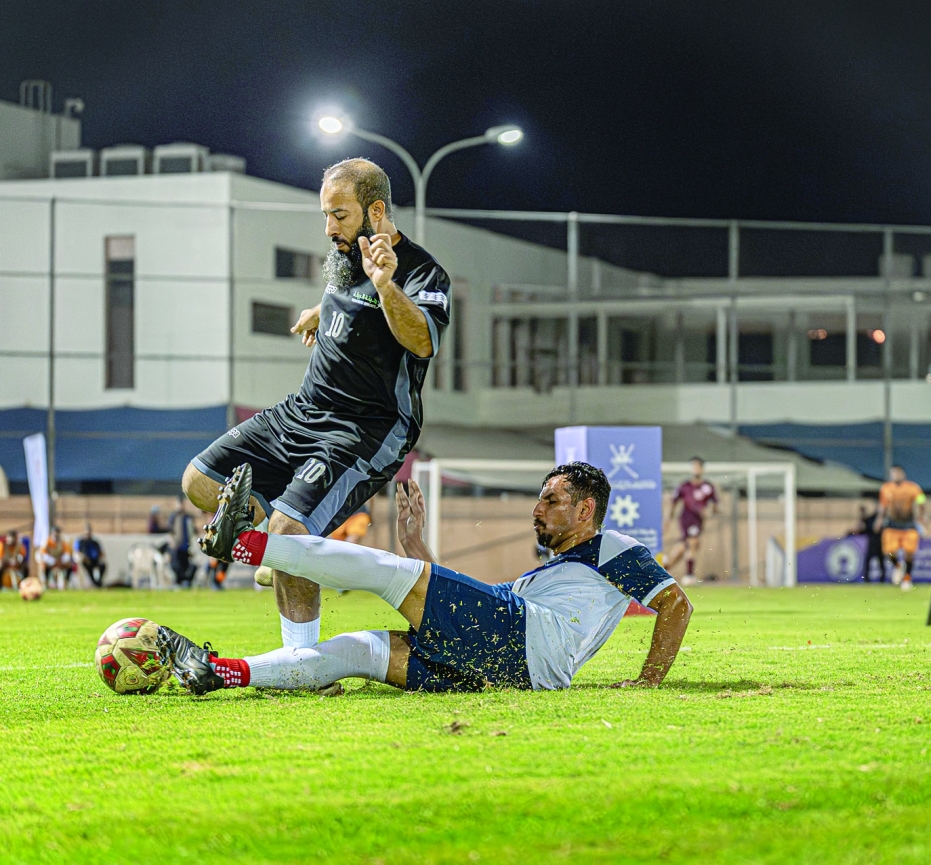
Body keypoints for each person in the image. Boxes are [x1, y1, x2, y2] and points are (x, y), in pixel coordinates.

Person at [180, 158, 450, 652]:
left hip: (363, 429)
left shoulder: (422, 272)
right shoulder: (346, 256)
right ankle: (272, 548)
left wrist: (386, 285)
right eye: (326, 215)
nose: (329, 228)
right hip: (302, 411)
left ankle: (301, 660)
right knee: (199, 481)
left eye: (339, 215)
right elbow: (351, 301)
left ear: (376, 211)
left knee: (290, 532)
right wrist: (318, 310)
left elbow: (422, 340)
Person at [157, 462, 693, 696]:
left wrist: (648, 681)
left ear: (585, 510)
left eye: (550, 500)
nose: (537, 509)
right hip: (515, 667)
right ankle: (220, 672)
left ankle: (243, 543)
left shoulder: (612, 546)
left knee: (386, 572)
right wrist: (419, 548)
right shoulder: (557, 576)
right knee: (356, 650)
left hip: (528, 642)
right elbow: (475, 611)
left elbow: (676, 604)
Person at [664, 457, 718, 586]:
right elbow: (673, 502)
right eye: (694, 467)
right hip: (686, 518)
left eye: (698, 466)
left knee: (683, 547)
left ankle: (665, 567)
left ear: (702, 469)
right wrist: (667, 519)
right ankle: (689, 575)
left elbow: (715, 505)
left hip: (699, 520)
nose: (696, 469)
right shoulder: (685, 486)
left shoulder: (708, 487)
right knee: (693, 542)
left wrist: (710, 512)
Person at [875, 465, 926, 591]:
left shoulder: (913, 488)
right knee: (889, 552)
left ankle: (907, 579)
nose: (895, 476)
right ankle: (898, 566)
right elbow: (883, 506)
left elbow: (921, 501)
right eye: (893, 473)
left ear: (903, 474)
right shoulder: (886, 488)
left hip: (909, 525)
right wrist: (879, 519)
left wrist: (922, 517)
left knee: (909, 553)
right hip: (892, 525)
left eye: (897, 473)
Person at [168, 496, 197, 588]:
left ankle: (185, 582)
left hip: (186, 545)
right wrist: (172, 542)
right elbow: (170, 531)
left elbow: (192, 530)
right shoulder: (174, 516)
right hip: (177, 545)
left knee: (186, 564)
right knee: (176, 565)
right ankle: (178, 582)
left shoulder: (187, 517)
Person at [855, 504, 885, 583]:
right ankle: (866, 579)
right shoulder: (871, 518)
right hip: (872, 543)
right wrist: (862, 514)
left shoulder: (884, 519)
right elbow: (863, 526)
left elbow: (877, 529)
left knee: (881, 563)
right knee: (868, 562)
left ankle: (882, 579)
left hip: (880, 544)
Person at [73, 524, 106, 588]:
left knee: (102, 565)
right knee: (87, 566)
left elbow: (101, 552)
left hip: (95, 560)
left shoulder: (95, 542)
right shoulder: (80, 541)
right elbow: (76, 552)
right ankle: (94, 582)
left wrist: (100, 558)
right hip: (85, 561)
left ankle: (98, 581)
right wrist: (83, 557)